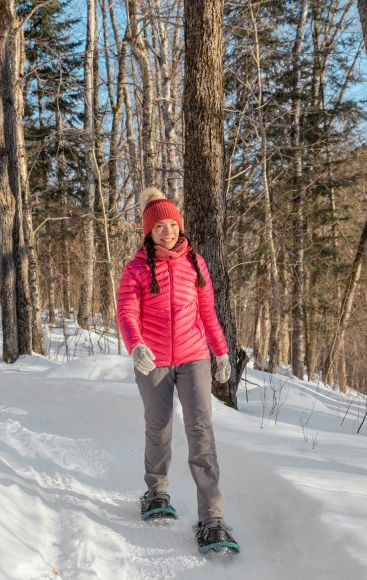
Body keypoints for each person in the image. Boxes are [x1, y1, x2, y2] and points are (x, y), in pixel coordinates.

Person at [116, 187, 239, 553]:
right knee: (159, 426)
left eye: (172, 224)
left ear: (179, 226)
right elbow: (126, 311)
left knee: (201, 430)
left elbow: (208, 313)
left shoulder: (195, 264)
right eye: (159, 227)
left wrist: (220, 353)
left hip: (193, 356)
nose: (167, 231)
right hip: (152, 359)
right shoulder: (137, 267)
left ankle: (212, 518)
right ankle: (156, 492)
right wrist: (135, 344)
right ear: (149, 232)